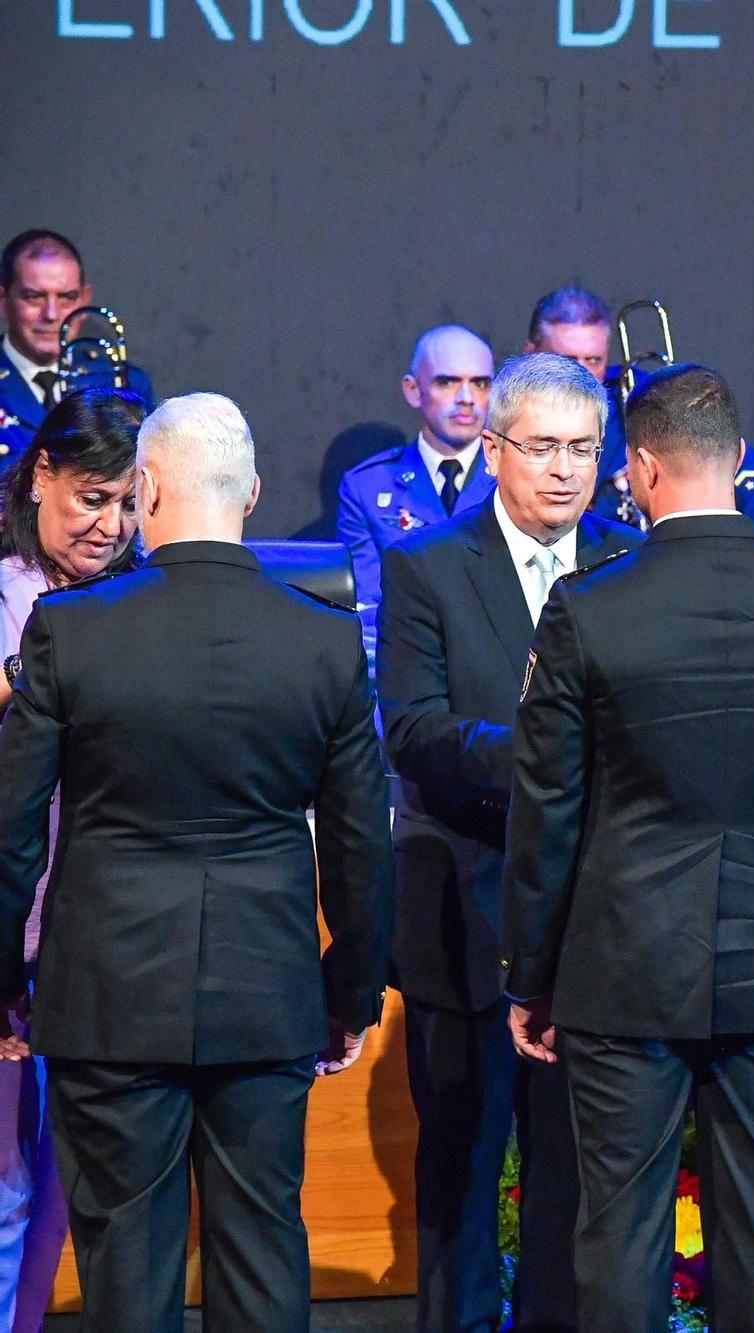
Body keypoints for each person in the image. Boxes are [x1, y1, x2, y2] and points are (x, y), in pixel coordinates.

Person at [500, 364, 754, 1333]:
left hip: (620, 967)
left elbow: (545, 808)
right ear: (740, 460)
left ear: (636, 469)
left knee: (621, 1231)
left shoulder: (590, 607)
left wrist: (527, 975)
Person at [0, 392, 393, 1333]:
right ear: (253, 494)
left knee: (127, 1272)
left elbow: (13, 826)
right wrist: (352, 991)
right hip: (267, 996)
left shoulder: (73, 628)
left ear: (145, 488)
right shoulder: (324, 636)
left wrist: (8, 976)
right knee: (262, 1253)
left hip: (107, 997)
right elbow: (359, 840)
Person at [379, 353, 642, 1333]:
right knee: (460, 1166)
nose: (565, 469)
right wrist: (547, 753)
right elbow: (410, 727)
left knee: (573, 1181)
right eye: (542, 447)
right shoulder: (430, 567)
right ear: (494, 450)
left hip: (594, 918)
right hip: (465, 904)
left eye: (583, 448)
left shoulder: (627, 560)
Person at [0, 389, 142, 1332]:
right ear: (42, 474)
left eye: (130, 503)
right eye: (93, 496)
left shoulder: (135, 597)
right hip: (11, 913)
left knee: (63, 1184)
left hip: (97, 923)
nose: (110, 524)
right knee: (5, 1179)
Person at [527, 288, 754, 541]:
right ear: (531, 354)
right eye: (569, 360)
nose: (582, 374)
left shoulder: (643, 399)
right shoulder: (508, 416)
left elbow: (743, 467)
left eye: (594, 360)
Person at [335, 324, 498, 655]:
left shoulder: (514, 477)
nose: (466, 399)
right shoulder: (367, 487)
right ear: (413, 390)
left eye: (480, 383)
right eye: (447, 382)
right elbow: (366, 608)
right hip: (403, 667)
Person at [0, 231, 155, 455]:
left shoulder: (125, 384)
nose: (52, 314)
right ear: (3, 301)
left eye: (67, 298)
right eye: (34, 297)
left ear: (85, 299)